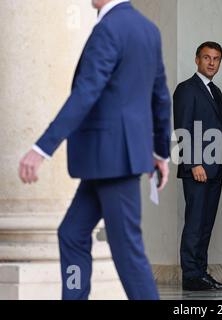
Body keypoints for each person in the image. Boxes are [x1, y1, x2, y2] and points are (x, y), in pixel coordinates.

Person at [18, 0, 171, 300]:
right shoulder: (148, 30)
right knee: (72, 233)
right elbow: (161, 97)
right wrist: (160, 153)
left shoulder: (109, 28)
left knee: (127, 249)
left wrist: (42, 148)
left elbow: (86, 92)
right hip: (107, 160)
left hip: (114, 159)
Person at [173, 42, 222, 291]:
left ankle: (201, 274)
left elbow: (221, 131)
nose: (211, 63)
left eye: (216, 58)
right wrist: (193, 162)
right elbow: (183, 128)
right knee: (195, 223)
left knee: (206, 224)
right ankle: (191, 275)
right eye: (207, 58)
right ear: (197, 60)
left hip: (215, 170)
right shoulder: (187, 89)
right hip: (197, 169)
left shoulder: (215, 91)